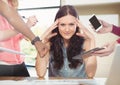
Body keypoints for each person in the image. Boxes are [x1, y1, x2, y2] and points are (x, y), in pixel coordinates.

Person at [35, 5, 97, 79]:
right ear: (56, 25)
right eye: (63, 25)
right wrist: (42, 42)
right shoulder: (49, 43)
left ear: (77, 25)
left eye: (71, 24)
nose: (67, 29)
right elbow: (40, 74)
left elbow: (91, 74)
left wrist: (92, 40)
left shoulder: (86, 43)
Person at [0, 0, 38, 76]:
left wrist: (28, 26)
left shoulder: (12, 6)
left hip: (19, 62)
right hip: (3, 64)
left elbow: (17, 37)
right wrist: (25, 26)